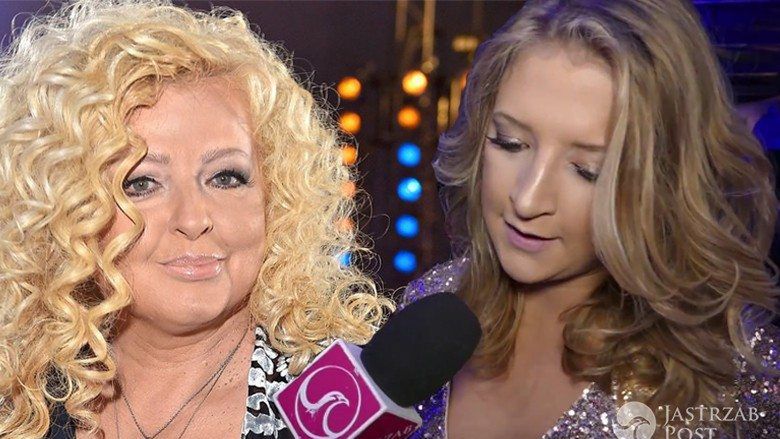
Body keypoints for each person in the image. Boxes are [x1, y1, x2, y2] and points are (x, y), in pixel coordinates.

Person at [0, 1, 391, 438]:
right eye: (141, 183)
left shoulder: (339, 406)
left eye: (225, 177)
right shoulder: (19, 398)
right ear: (66, 207)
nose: (193, 218)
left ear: (276, 196)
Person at [402, 1, 779, 438]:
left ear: (663, 185)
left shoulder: (733, 381)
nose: (527, 199)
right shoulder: (433, 302)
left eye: (587, 171)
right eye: (510, 143)